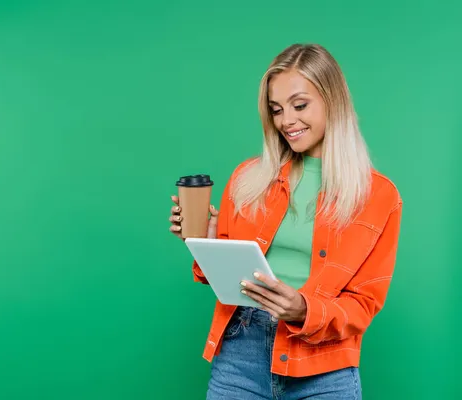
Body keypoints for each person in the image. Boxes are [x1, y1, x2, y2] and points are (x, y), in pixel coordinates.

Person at [168, 43, 403, 399]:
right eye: (276, 110)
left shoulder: (378, 196)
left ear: (332, 100)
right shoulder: (248, 178)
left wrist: (305, 310)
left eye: (300, 105)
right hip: (241, 352)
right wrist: (207, 243)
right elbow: (227, 281)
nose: (286, 121)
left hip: (324, 364)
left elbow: (365, 302)